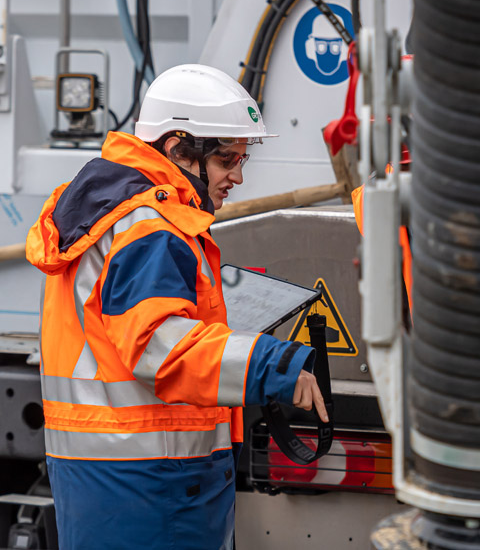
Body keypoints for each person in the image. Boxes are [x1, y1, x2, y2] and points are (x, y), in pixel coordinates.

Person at [26, 64, 329, 550]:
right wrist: (274, 363)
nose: (238, 176)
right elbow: (162, 351)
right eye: (227, 159)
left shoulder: (116, 213)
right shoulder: (151, 229)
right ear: (177, 149)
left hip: (118, 478)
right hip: (152, 485)